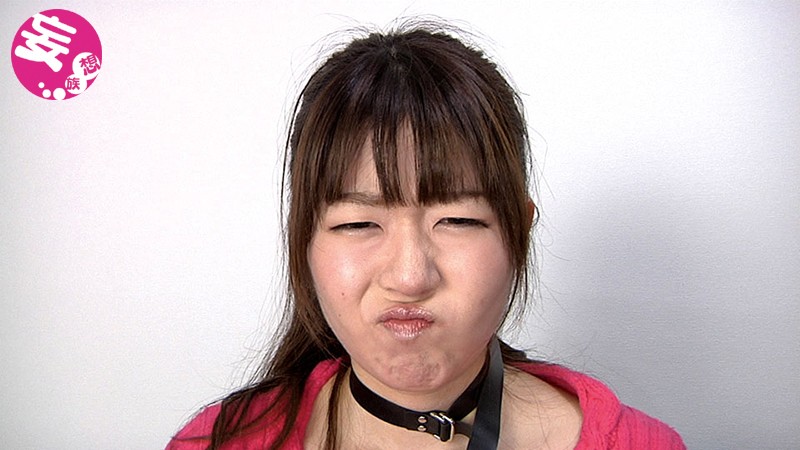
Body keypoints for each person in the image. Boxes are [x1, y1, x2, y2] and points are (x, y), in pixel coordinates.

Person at [167, 22, 686, 450]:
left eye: (458, 220)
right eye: (358, 223)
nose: (410, 277)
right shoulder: (214, 443)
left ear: (520, 233)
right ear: (304, 242)